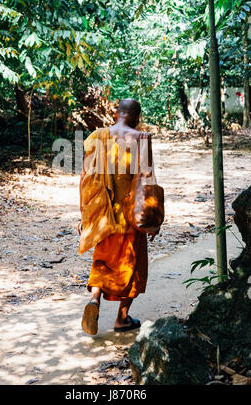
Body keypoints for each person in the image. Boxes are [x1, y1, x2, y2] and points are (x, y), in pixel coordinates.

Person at [79, 98, 157, 335]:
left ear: (115, 114)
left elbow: (85, 179)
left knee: (102, 261)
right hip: (129, 217)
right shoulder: (141, 138)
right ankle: (122, 319)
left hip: (102, 214)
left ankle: (94, 300)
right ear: (137, 118)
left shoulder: (97, 136)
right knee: (133, 268)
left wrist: (85, 216)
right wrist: (152, 219)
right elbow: (147, 181)